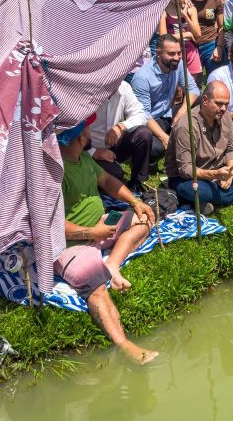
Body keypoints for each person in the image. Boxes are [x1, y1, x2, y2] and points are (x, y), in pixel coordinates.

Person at [56, 119, 158, 364]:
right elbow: (50, 225)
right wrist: (91, 232)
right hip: (71, 244)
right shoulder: (53, 171)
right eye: (87, 127)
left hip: (100, 226)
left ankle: (112, 264)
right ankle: (125, 345)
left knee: (144, 219)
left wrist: (135, 202)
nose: (91, 130)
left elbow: (107, 182)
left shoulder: (83, 158)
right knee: (97, 289)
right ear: (80, 137)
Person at [166, 81, 233, 206]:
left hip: (218, 169)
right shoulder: (186, 126)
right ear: (205, 100)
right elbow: (186, 169)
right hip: (190, 178)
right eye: (218, 103)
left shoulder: (225, 115)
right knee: (194, 190)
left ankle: (213, 196)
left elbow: (231, 149)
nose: (223, 109)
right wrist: (214, 175)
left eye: (226, 104)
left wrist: (231, 172)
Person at [131, 34, 200, 160]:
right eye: (171, 54)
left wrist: (181, 113)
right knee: (155, 148)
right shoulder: (142, 78)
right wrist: (164, 138)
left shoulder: (178, 64)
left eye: (179, 53)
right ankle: (148, 160)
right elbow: (144, 114)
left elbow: (193, 90)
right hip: (152, 119)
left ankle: (196, 137)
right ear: (158, 53)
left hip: (169, 112)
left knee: (201, 102)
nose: (177, 57)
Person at [87, 81, 154, 193]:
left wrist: (121, 126)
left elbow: (140, 114)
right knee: (115, 175)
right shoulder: (87, 91)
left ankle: (136, 182)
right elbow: (72, 131)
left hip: (115, 142)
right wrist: (93, 152)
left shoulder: (123, 87)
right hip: (91, 147)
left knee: (144, 135)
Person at [158, 0, 202, 84]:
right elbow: (163, 37)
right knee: (176, 85)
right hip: (174, 53)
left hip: (191, 51)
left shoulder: (191, 9)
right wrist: (187, 34)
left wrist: (185, 16)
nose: (182, 0)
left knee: (192, 84)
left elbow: (198, 34)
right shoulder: (164, 11)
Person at [187, 0, 226, 76]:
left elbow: (222, 27)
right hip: (190, 45)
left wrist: (219, 47)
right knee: (193, 82)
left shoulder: (215, 1)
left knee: (215, 77)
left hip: (210, 44)